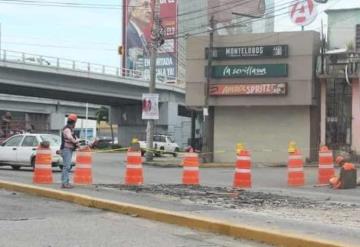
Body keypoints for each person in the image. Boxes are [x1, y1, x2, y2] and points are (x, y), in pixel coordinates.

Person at [126, 0, 152, 69]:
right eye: (145, 5)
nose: (150, 11)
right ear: (133, 10)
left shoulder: (140, 35)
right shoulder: (128, 34)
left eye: (150, 6)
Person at [60, 114, 80, 189]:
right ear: (74, 122)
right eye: (75, 122)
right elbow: (70, 137)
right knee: (67, 166)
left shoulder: (70, 129)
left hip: (68, 149)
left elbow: (74, 138)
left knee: (66, 166)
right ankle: (65, 183)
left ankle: (64, 182)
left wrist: (77, 142)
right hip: (66, 149)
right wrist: (75, 142)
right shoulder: (67, 129)